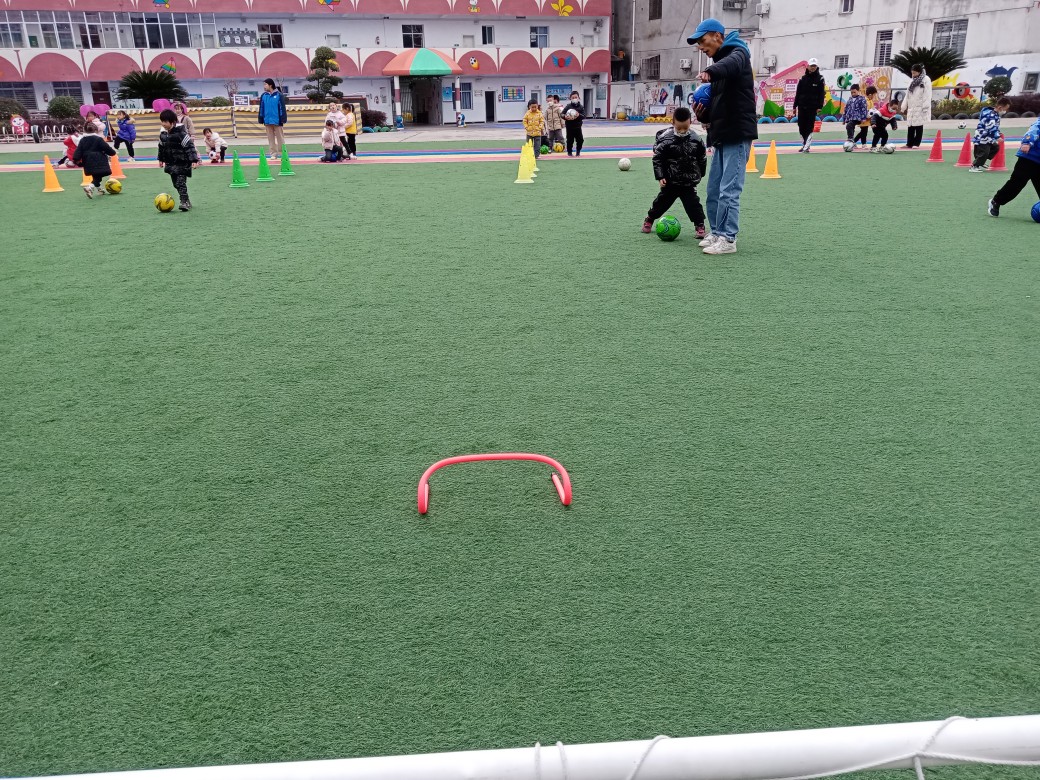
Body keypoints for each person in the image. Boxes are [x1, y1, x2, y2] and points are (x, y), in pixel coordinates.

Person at [689, 17, 757, 255]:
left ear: (717, 36)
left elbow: (731, 64)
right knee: (714, 189)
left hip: (737, 133)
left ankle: (728, 239)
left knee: (729, 189)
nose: (700, 47)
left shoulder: (739, 53)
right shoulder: (721, 65)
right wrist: (705, 117)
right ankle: (717, 232)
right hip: (721, 134)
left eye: (702, 40)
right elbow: (722, 104)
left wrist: (711, 71)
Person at [641, 106, 707, 239]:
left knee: (693, 204)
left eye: (685, 128)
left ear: (690, 123)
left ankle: (700, 225)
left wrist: (700, 173)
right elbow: (658, 159)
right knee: (661, 203)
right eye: (679, 128)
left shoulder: (696, 139)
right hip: (670, 180)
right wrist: (660, 176)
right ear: (673, 123)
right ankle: (649, 219)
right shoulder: (665, 139)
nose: (682, 131)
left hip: (688, 181)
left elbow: (702, 158)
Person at [988, 116, 1040, 218]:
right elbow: (1034, 130)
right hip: (1029, 157)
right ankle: (996, 201)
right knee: (1017, 182)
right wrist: (1027, 142)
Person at [157, 108, 200, 212]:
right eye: (162, 121)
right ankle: (187, 200)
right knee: (176, 184)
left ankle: (184, 202)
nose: (163, 124)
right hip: (171, 163)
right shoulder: (163, 135)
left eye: (165, 121)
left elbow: (190, 147)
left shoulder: (181, 134)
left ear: (172, 121)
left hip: (182, 162)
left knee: (180, 182)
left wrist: (194, 160)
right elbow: (161, 148)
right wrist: (161, 159)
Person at [73, 122, 117, 199]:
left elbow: (78, 150)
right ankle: (90, 187)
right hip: (99, 159)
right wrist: (112, 152)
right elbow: (106, 148)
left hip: (87, 160)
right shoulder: (98, 139)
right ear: (96, 130)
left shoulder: (83, 140)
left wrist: (77, 160)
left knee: (96, 175)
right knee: (102, 173)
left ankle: (99, 189)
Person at [970, 97, 1012, 172]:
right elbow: (991, 127)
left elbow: (994, 126)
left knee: (995, 147)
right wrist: (997, 136)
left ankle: (981, 161)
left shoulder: (994, 114)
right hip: (983, 136)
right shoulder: (991, 116)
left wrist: (997, 132)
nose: (1005, 111)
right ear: (1000, 108)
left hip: (988, 136)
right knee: (984, 152)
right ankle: (975, 166)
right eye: (1005, 109)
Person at [793, 58, 825, 152]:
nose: (813, 67)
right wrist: (795, 106)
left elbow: (821, 94)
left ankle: (807, 146)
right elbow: (798, 93)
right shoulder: (803, 79)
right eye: (811, 66)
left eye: (814, 66)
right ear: (808, 66)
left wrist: (820, 106)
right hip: (802, 106)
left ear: (817, 67)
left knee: (809, 126)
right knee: (801, 126)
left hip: (812, 107)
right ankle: (805, 144)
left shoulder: (820, 79)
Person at [900, 63, 932, 149]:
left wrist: (925, 107)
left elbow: (927, 94)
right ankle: (909, 143)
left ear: (919, 72)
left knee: (918, 125)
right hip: (911, 106)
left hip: (920, 106)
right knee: (910, 125)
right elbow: (907, 94)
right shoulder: (912, 81)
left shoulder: (926, 79)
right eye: (912, 73)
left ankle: (916, 143)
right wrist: (904, 106)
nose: (913, 74)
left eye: (914, 73)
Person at [258, 78, 288, 159]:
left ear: (270, 85)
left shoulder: (279, 95)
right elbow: (261, 108)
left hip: (277, 121)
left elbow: (282, 108)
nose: (264, 86)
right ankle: (273, 154)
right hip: (267, 121)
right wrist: (261, 118)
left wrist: (283, 119)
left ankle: (283, 154)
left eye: (265, 84)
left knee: (280, 139)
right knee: (270, 139)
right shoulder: (264, 96)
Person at [563, 91, 585, 157]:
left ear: (578, 98)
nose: (574, 99)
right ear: (570, 98)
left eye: (576, 97)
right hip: (569, 127)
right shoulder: (568, 106)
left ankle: (578, 152)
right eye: (573, 97)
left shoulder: (581, 107)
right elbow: (562, 114)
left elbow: (584, 116)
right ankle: (569, 152)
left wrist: (579, 115)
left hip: (578, 127)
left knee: (580, 140)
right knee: (569, 140)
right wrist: (565, 117)